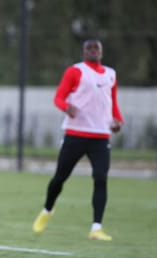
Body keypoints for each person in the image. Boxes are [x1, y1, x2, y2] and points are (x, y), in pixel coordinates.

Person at [32, 38, 123, 241]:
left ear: (101, 52)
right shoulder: (75, 71)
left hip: (101, 136)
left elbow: (113, 103)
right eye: (89, 48)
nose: (93, 51)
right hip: (75, 134)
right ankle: (47, 211)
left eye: (96, 48)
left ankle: (96, 228)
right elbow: (58, 97)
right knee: (60, 178)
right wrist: (67, 107)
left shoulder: (111, 74)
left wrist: (118, 120)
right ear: (83, 52)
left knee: (100, 178)